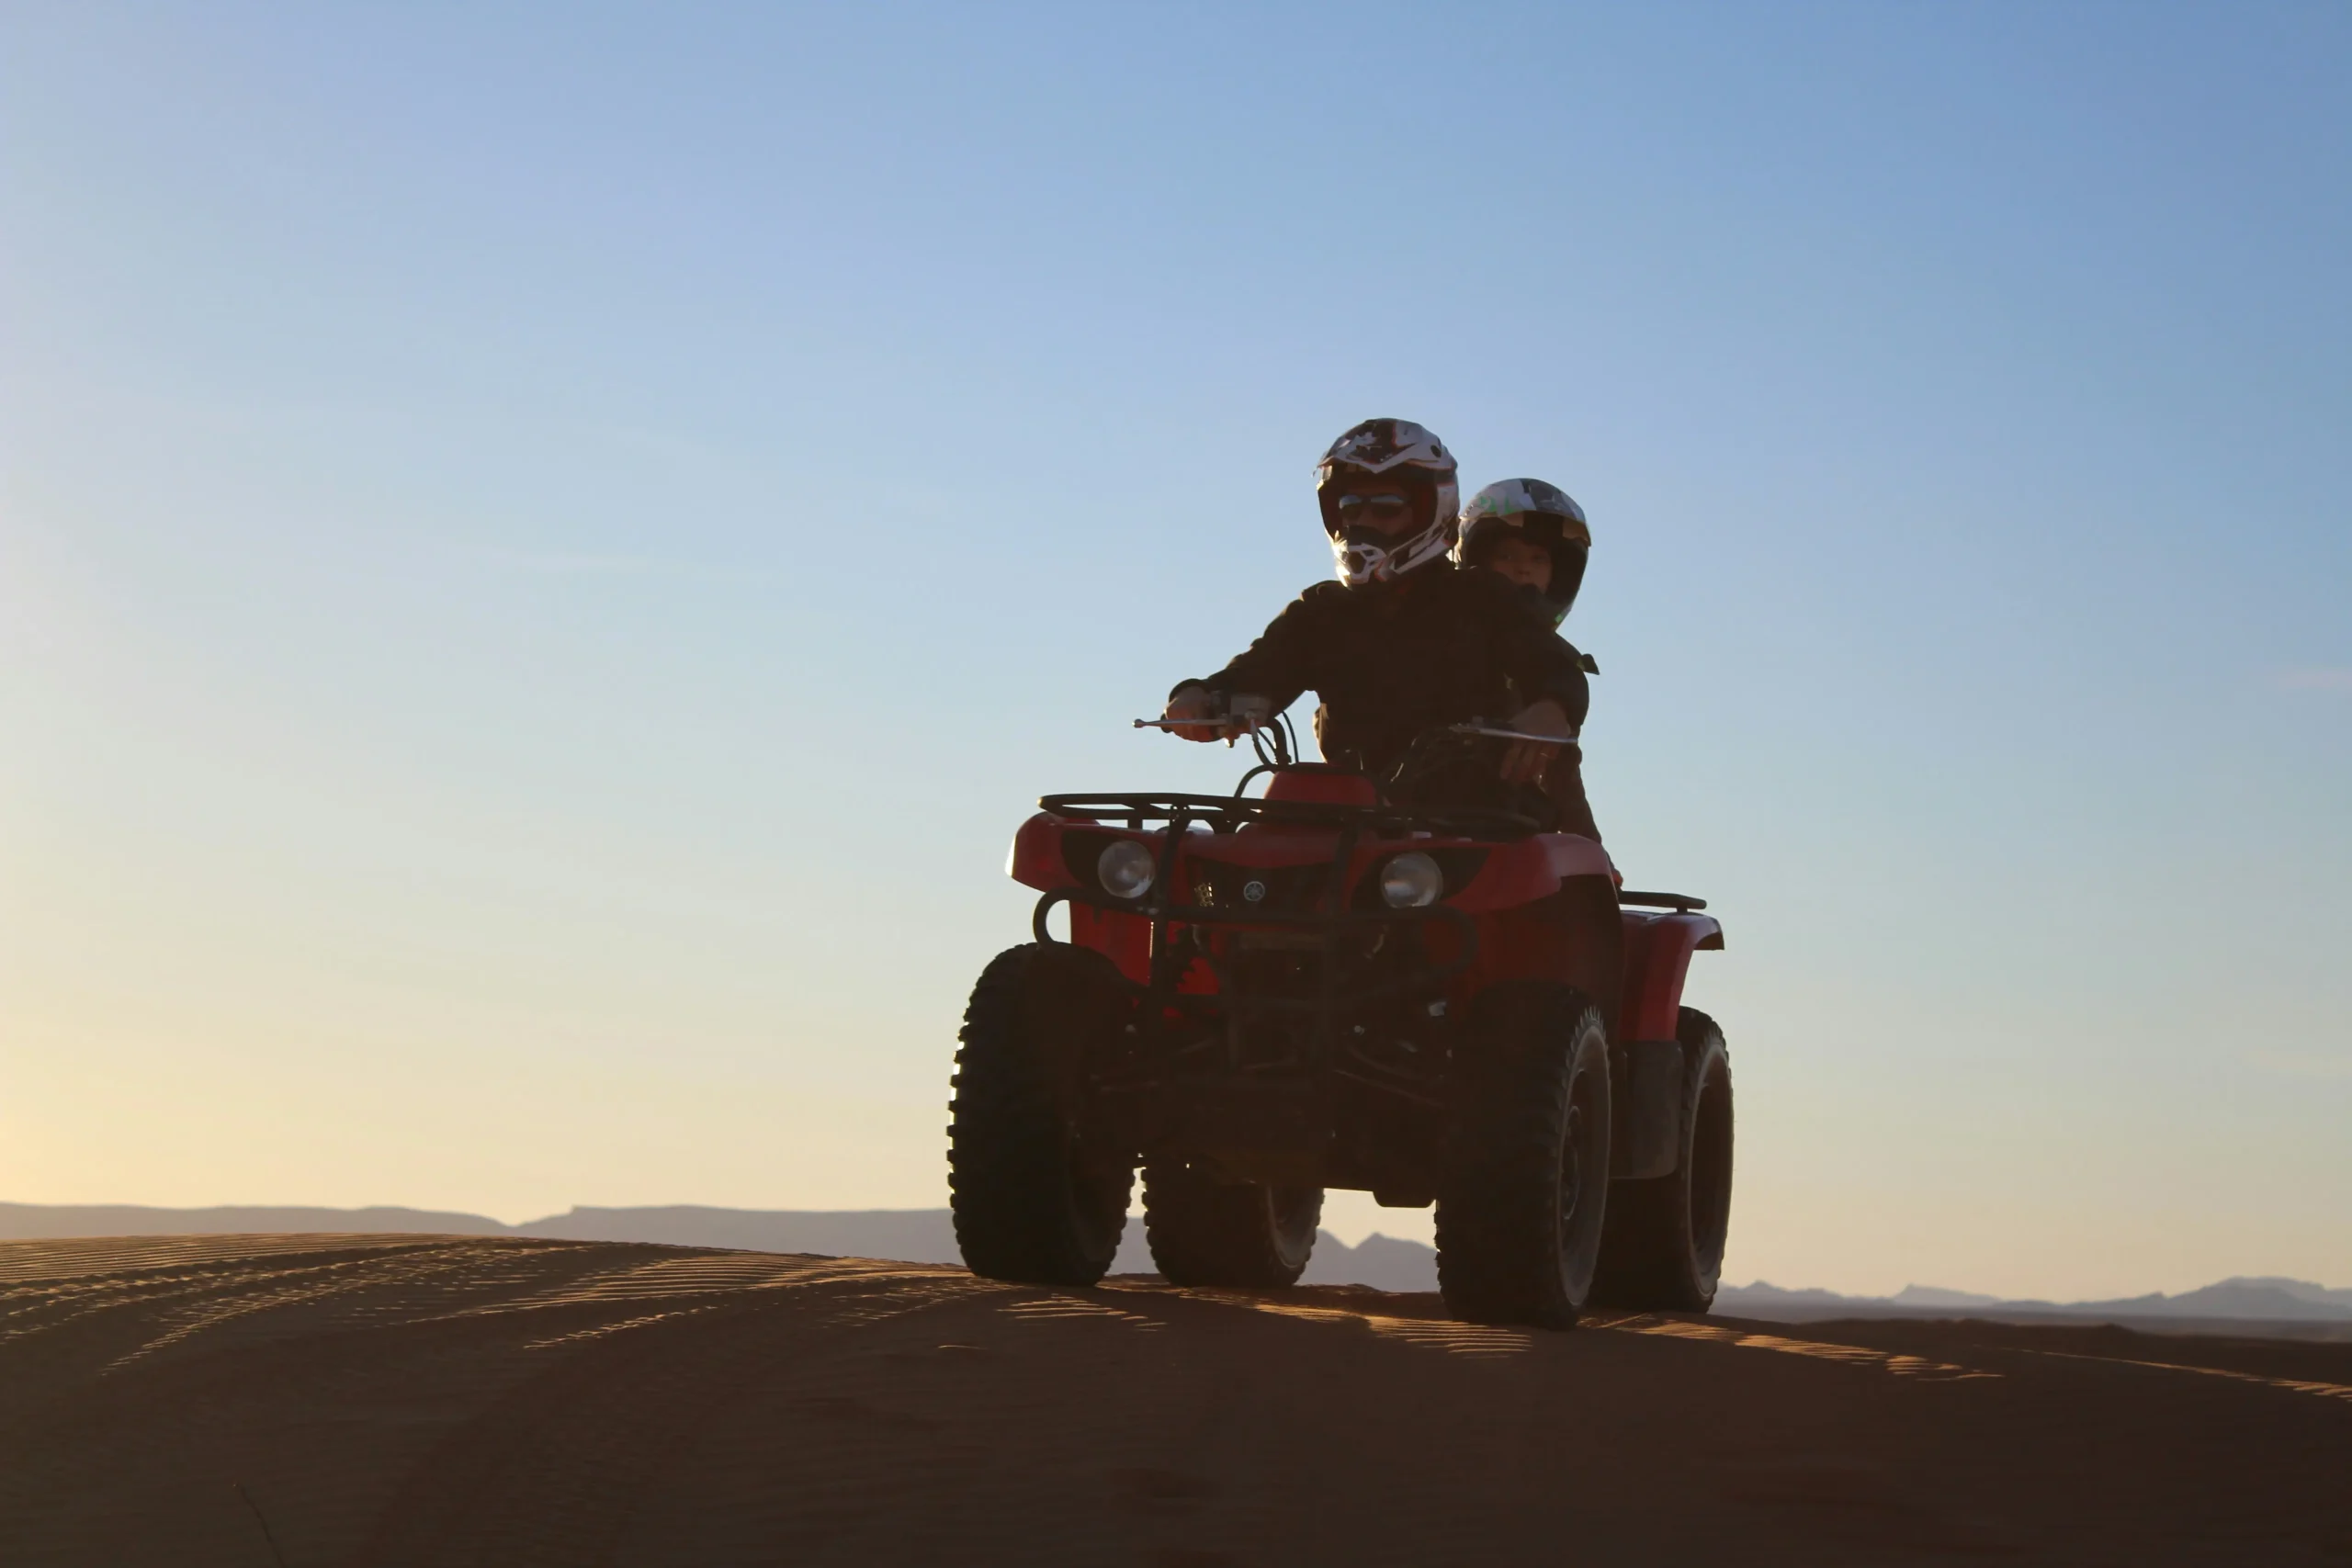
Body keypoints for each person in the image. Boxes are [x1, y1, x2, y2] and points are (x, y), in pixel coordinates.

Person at [1160, 420, 1589, 815]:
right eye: (1351, 508)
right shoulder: (1321, 612)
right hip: (1352, 813)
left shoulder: (1481, 597)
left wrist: (1552, 707)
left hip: (1477, 819)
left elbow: (1556, 667)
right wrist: (1200, 696)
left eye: (1385, 508)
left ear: (1429, 510)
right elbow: (1259, 672)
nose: (1363, 522)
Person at [1455, 478, 1604, 840]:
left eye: (1538, 559)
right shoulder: (1441, 633)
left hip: (1506, 834)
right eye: (1507, 556)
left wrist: (1592, 850)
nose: (1524, 570)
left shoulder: (1553, 669)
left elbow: (1562, 778)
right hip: (1403, 817)